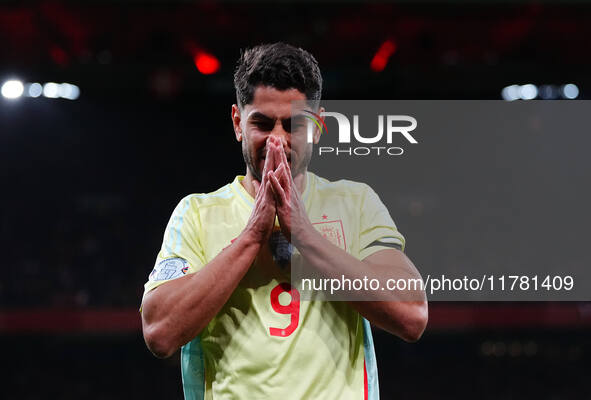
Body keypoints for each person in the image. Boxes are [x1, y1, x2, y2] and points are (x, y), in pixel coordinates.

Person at [140, 42, 428, 400]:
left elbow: (412, 314)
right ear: (237, 123)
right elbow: (159, 332)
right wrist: (251, 237)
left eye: (293, 125)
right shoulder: (197, 213)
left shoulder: (355, 203)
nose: (277, 138)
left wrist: (305, 235)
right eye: (262, 122)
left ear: (318, 127)